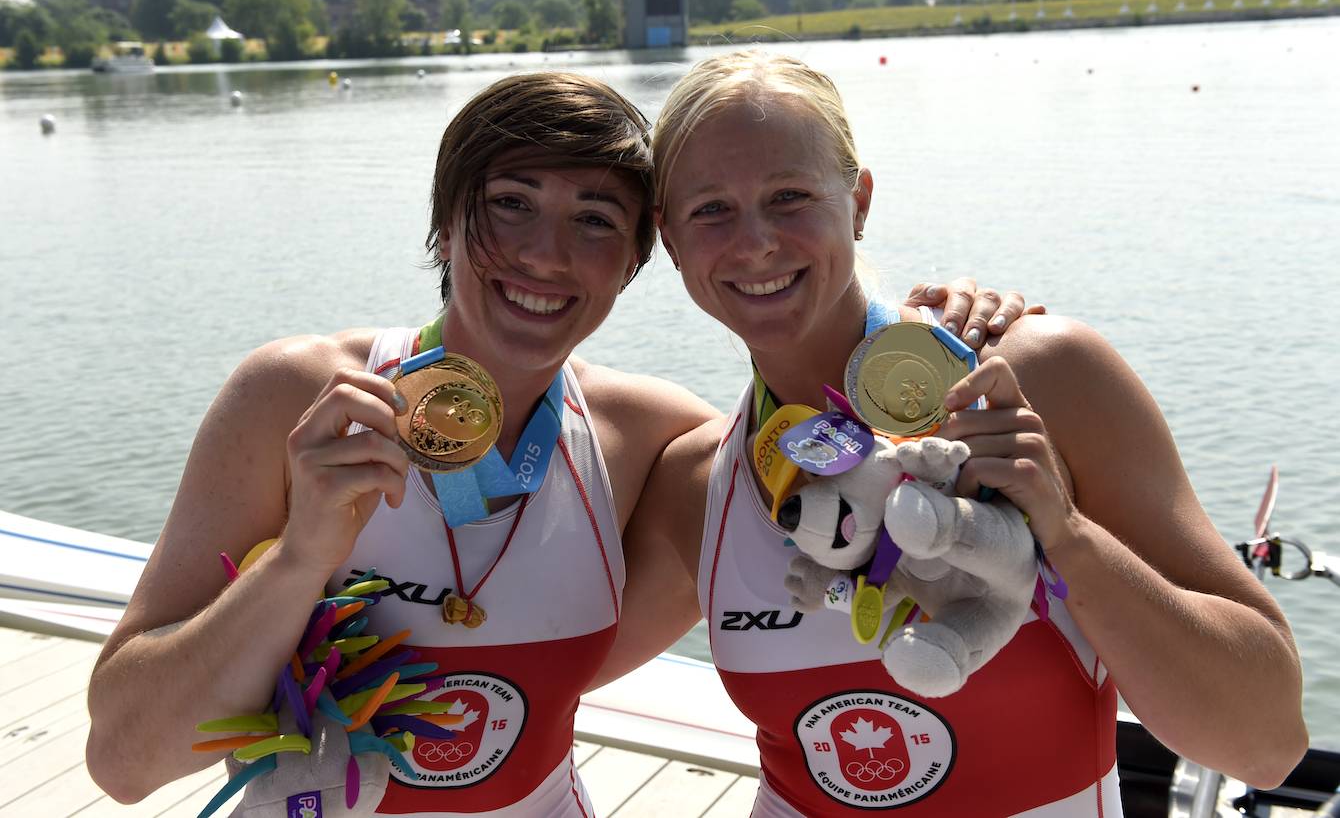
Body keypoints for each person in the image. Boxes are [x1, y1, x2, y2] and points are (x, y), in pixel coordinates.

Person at [84, 71, 1026, 815]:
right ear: (444, 222)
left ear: (632, 264)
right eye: (510, 203)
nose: (547, 254)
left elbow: (831, 447)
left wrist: (939, 330)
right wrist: (299, 563)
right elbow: (124, 764)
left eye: (595, 221)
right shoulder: (300, 397)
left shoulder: (655, 441)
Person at [636, 50, 1309, 816]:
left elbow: (1266, 743)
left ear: (858, 201)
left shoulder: (1039, 379)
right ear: (669, 238)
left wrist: (1069, 535)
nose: (755, 241)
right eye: (711, 210)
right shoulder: (696, 482)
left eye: (790, 196)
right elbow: (520, 664)